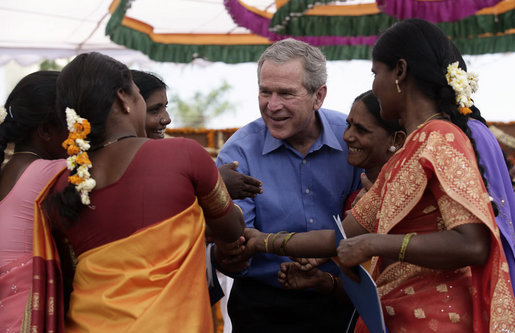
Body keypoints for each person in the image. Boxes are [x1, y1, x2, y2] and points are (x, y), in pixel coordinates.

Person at [240, 19, 515, 332]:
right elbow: (342, 236)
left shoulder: (441, 138)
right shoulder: (411, 149)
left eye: (375, 73)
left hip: (438, 320)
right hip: (398, 316)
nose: (372, 85)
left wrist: (377, 245)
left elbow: (472, 245)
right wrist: (263, 242)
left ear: (399, 72)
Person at [26, 52, 245, 332]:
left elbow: (67, 280)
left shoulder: (60, 186)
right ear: (123, 98)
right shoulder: (183, 154)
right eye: (140, 95)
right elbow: (232, 229)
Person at [216, 38, 362, 332]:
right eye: (265, 92)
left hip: (341, 299)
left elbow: (372, 219)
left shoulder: (353, 140)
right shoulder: (238, 153)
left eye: (285, 93)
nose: (272, 105)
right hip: (263, 306)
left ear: (318, 96)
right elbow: (236, 239)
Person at [278, 90, 405, 299]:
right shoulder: (355, 198)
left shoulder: (409, 196)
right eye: (348, 125)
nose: (347, 136)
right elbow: (368, 296)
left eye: (361, 130)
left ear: (397, 139)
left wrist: (262, 242)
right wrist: (324, 282)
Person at [0, 71, 66, 332]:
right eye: (74, 123)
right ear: (46, 131)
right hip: (26, 314)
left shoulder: (6, 169)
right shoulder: (53, 171)